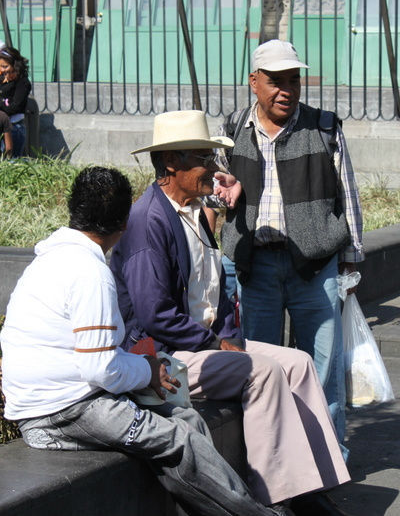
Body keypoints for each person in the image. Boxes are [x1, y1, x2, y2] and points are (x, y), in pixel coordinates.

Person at [0, 166, 286, 516]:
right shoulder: (88, 273)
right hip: (60, 412)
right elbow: (99, 368)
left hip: (73, 399)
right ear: (124, 224)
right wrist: (148, 370)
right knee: (177, 441)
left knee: (188, 419)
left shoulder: (57, 257)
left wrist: (143, 368)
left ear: (74, 211)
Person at [111, 110, 351, 516]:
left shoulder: (190, 212)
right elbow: (154, 315)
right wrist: (217, 342)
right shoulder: (148, 221)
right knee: (263, 371)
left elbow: (214, 292)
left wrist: (228, 336)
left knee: (298, 364)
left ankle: (313, 488)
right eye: (204, 158)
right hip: (165, 358)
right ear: (172, 164)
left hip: (201, 344)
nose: (214, 168)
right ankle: (276, 496)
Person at [217, 39, 365, 445]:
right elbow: (217, 190)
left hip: (316, 269)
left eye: (293, 80)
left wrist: (350, 263)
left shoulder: (325, 127)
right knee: (263, 369)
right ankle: (272, 457)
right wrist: (224, 191)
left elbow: (347, 197)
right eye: (275, 81)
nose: (286, 90)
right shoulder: (233, 128)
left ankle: (328, 460)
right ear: (254, 82)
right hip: (257, 267)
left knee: (323, 372)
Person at [0, 46, 31, 157]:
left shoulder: (22, 82)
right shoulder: (0, 79)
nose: (2, 70)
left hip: (14, 127)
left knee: (13, 159)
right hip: (0, 126)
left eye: (5, 66)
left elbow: (16, 106)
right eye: (1, 66)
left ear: (15, 65)